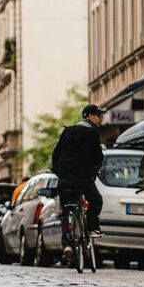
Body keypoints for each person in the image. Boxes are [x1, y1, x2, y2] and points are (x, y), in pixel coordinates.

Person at [51, 104, 105, 264]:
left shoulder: (67, 131)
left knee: (65, 210)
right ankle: (92, 228)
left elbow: (56, 153)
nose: (101, 119)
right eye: (99, 116)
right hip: (83, 178)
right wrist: (95, 171)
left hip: (65, 178)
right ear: (91, 117)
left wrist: (58, 171)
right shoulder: (93, 133)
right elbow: (98, 156)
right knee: (96, 200)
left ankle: (67, 245)